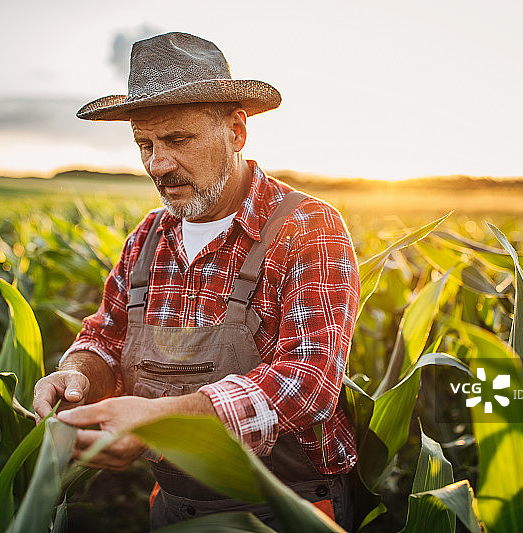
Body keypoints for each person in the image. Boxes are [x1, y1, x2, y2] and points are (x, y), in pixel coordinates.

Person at [33, 31, 360, 531]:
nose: (157, 165)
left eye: (177, 140)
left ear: (236, 130)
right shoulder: (147, 238)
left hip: (290, 510)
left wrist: (163, 422)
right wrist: (77, 377)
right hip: (176, 510)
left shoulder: (304, 228)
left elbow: (308, 383)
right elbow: (104, 338)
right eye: (144, 144)